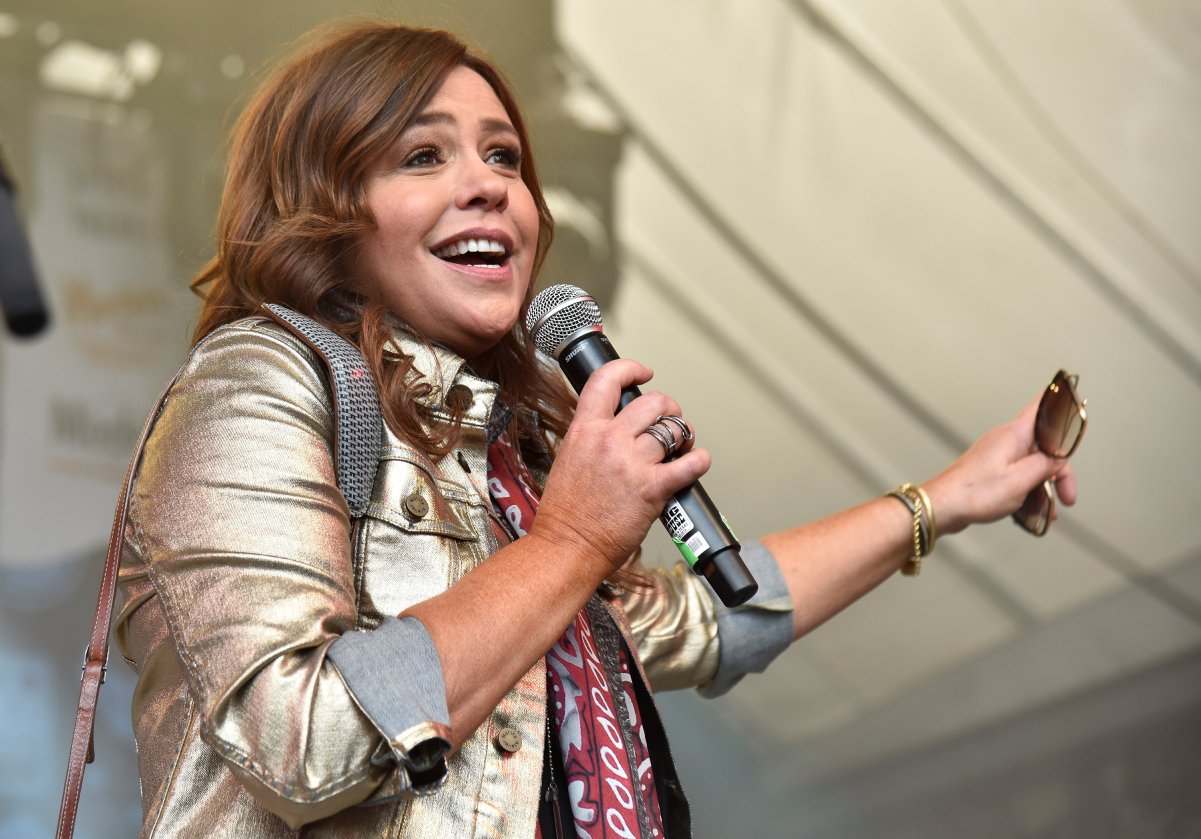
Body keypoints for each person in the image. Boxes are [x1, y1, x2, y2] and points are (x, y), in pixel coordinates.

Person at [111, 21, 1078, 839]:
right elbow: (299, 735)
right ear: (324, 212)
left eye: (504, 157)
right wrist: (572, 539)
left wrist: (945, 499)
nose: (490, 184)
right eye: (421, 155)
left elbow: (708, 621)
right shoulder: (255, 382)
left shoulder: (503, 462)